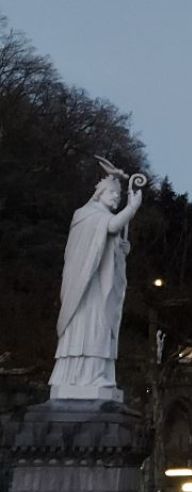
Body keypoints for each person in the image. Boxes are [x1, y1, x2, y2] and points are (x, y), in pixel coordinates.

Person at [49, 165, 143, 397]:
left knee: (101, 327)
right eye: (113, 194)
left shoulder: (101, 218)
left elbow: (108, 241)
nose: (116, 198)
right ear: (100, 193)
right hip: (85, 286)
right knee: (89, 327)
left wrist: (120, 251)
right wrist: (132, 208)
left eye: (119, 196)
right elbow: (109, 227)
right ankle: (78, 376)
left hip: (100, 285)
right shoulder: (86, 215)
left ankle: (96, 373)